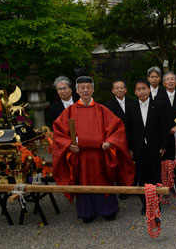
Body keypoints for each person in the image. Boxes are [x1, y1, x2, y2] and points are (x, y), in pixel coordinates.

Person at [52, 76, 135, 223]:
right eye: (82, 87)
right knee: (83, 182)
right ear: (77, 90)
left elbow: (118, 128)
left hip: (100, 155)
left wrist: (110, 142)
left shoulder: (102, 110)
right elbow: (58, 132)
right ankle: (87, 211)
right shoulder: (70, 111)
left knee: (103, 181)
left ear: (93, 89)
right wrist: (68, 145)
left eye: (88, 87)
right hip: (80, 156)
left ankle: (108, 210)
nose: (85, 90)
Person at [126, 79, 168, 214]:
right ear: (135, 92)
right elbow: (128, 129)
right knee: (141, 176)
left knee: (155, 176)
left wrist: (164, 145)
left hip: (155, 147)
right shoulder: (131, 107)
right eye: (138, 89)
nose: (142, 91)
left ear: (149, 89)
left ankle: (156, 205)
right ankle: (145, 204)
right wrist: (130, 147)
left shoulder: (159, 105)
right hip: (138, 148)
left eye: (144, 88)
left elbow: (164, 127)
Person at [154, 72, 176, 194]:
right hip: (165, 132)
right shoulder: (159, 97)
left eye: (173, 79)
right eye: (168, 79)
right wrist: (169, 128)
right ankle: (168, 183)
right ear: (164, 83)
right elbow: (160, 116)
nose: (171, 81)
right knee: (167, 159)